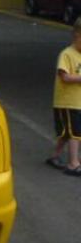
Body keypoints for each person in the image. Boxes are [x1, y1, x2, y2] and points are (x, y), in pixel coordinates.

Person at [47, 17, 81, 175]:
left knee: (67, 133)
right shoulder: (67, 54)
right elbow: (65, 77)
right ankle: (73, 163)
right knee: (75, 132)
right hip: (67, 102)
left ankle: (55, 156)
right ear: (77, 36)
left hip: (77, 101)